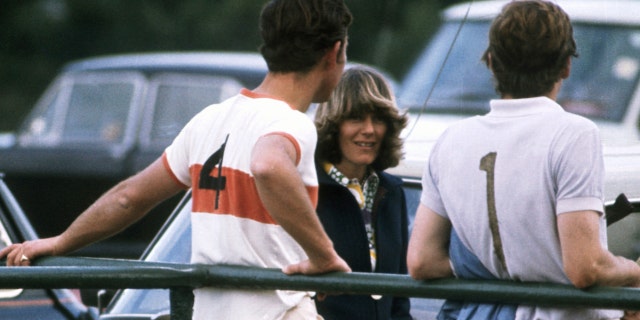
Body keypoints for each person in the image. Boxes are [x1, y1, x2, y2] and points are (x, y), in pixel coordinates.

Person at [0, 0, 353, 319]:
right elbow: (268, 165)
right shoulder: (293, 124)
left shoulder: (209, 119)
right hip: (279, 312)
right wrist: (324, 256)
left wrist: (60, 242)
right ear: (333, 53)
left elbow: (128, 197)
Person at [406, 1, 640, 319]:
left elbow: (422, 260)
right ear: (566, 67)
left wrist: (490, 268)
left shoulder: (451, 139)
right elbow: (586, 267)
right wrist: (633, 272)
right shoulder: (575, 134)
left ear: (491, 62)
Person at [313, 66, 411, 320]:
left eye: (378, 119)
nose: (369, 129)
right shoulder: (305, 188)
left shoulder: (392, 191)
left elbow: (400, 298)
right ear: (333, 124)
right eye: (356, 118)